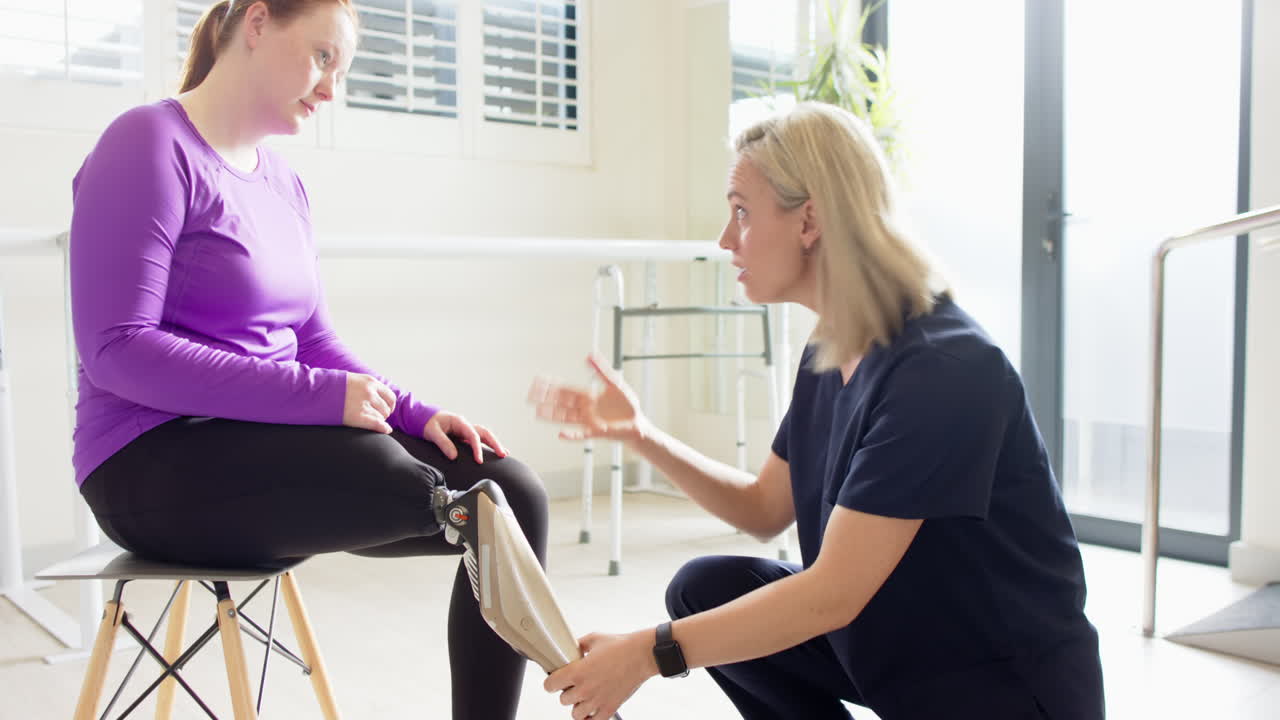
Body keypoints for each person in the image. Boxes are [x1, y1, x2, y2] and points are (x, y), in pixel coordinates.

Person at [529, 102, 1105, 720]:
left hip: (1001, 686)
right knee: (704, 590)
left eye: (742, 212)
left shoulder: (946, 371)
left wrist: (648, 653)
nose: (727, 239)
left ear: (809, 220)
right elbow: (763, 508)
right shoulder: (831, 346)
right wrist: (642, 435)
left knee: (745, 610)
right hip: (907, 646)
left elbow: (832, 593)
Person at [68, 2, 547, 717]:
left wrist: (420, 413)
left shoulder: (283, 186)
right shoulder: (147, 143)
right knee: (407, 484)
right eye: (323, 57)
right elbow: (117, 352)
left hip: (268, 448)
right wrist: (319, 399)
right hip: (147, 463)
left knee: (509, 489)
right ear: (257, 23)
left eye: (341, 70)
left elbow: (315, 343)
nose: (332, 88)